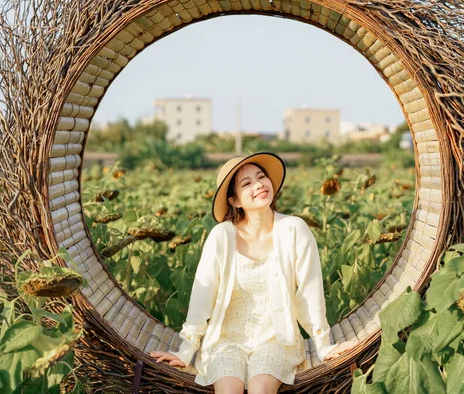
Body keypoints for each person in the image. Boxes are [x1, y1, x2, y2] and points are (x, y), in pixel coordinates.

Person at [150, 152, 357, 393]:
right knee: (228, 390)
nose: (259, 185)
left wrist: (323, 345)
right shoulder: (221, 236)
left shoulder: (293, 229)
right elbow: (202, 296)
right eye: (247, 183)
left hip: (276, 340)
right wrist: (185, 350)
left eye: (261, 177)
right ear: (235, 201)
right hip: (224, 341)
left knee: (261, 389)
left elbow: (310, 291)